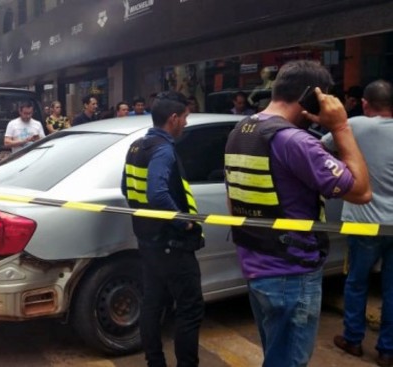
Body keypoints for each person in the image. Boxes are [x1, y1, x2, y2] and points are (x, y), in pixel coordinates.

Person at [224, 60, 372, 367]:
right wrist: (341, 126)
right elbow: (360, 191)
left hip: (256, 266)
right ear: (310, 96)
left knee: (276, 358)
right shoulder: (295, 141)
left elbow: (232, 202)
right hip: (291, 273)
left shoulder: (242, 129)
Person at [121, 91, 205, 367]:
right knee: (190, 309)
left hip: (148, 240)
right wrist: (184, 220)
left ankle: (155, 362)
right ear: (173, 118)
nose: (186, 123)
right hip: (172, 244)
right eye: (185, 118)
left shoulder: (137, 145)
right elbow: (156, 193)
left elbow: (127, 188)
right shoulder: (163, 149)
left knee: (152, 303)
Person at [322, 80, 393, 367]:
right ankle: (387, 350)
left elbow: (321, 148)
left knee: (356, 283)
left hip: (363, 224)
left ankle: (353, 339)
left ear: (365, 103)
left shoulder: (355, 126)